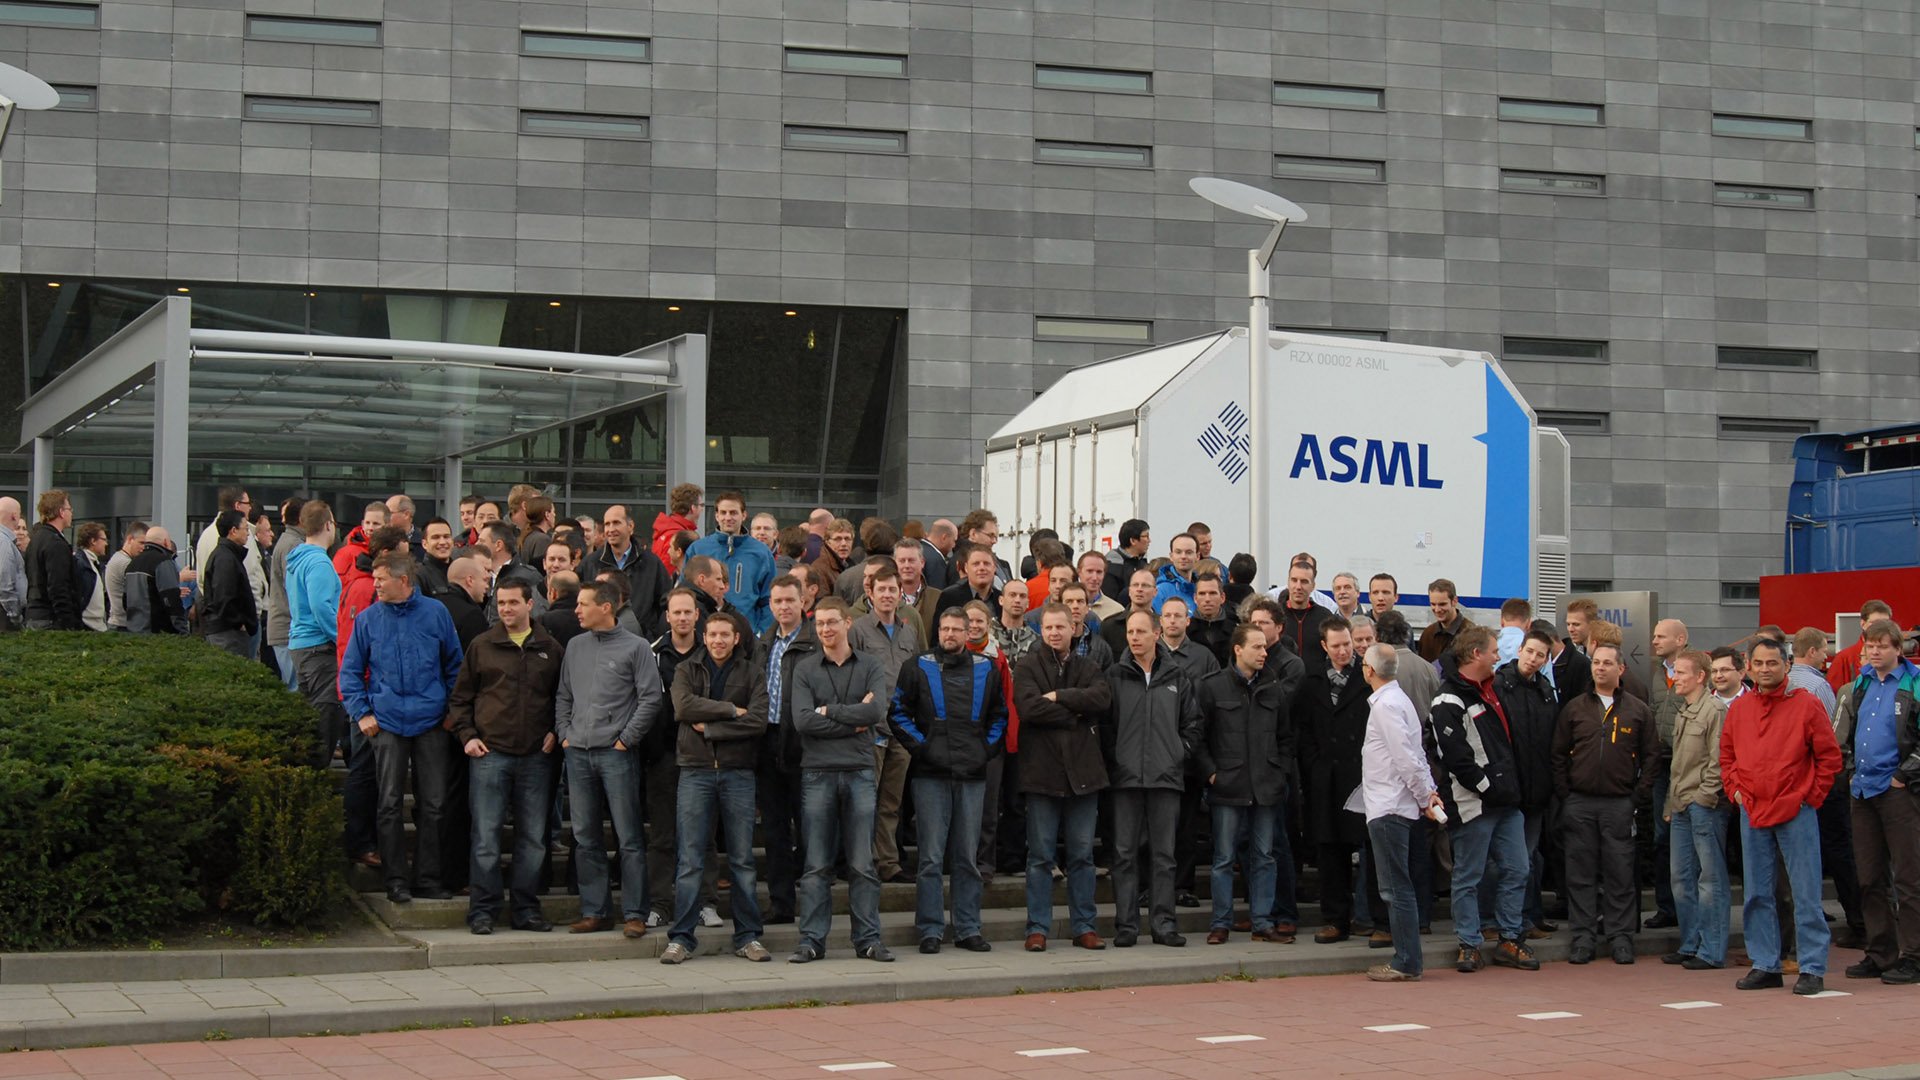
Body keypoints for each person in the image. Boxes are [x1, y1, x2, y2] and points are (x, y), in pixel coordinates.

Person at [340, 552, 465, 904]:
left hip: (432, 721)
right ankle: (395, 879)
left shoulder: (436, 613)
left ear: (404, 581)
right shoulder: (368, 620)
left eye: (381, 578)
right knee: (389, 803)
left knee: (435, 803)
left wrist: (452, 710)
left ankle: (427, 877)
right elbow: (350, 672)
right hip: (388, 722)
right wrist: (362, 712)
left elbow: (455, 664)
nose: (374, 584)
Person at [1722, 637, 1842, 995]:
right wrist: (1735, 790)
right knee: (1757, 893)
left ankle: (1812, 968)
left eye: (1771, 663)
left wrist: (1810, 797)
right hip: (1753, 810)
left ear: (1786, 665)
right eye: (1758, 664)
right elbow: (1726, 755)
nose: (1764, 670)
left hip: (1796, 811)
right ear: (1749, 666)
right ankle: (1765, 964)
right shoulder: (1740, 709)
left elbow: (1829, 757)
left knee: (1805, 893)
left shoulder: (1805, 705)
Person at [448, 578, 565, 935]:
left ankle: (526, 910)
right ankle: (482, 911)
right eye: (501, 603)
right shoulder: (482, 646)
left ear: (531, 605)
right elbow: (459, 699)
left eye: (513, 602)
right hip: (490, 754)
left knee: (532, 839)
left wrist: (555, 733)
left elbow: (564, 697)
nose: (506, 609)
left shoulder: (551, 648)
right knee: (485, 837)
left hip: (536, 756)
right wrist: (467, 736)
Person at [892, 606, 1007, 954]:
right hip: (930, 775)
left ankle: (968, 927)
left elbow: (1000, 716)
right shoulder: (917, 666)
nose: (951, 635)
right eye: (945, 629)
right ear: (937, 631)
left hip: (972, 776)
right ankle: (929, 929)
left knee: (967, 856)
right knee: (929, 857)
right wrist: (924, 748)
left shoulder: (986, 669)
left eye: (958, 629)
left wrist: (984, 751)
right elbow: (897, 712)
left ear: (969, 632)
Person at [660, 610, 772, 965]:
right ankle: (681, 937)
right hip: (695, 771)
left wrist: (710, 729)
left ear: (736, 638)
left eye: (726, 635)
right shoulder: (686, 669)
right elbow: (683, 707)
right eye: (713, 635)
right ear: (703, 636)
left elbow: (757, 719)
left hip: (738, 773)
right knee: (690, 859)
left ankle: (748, 936)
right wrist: (729, 710)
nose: (719, 641)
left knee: (742, 861)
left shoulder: (751, 671)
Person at [788, 598, 894, 963]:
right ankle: (811, 941)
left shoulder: (870, 665)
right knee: (816, 863)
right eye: (819, 624)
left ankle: (868, 939)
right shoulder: (804, 668)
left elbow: (876, 711)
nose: (825, 630)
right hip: (817, 771)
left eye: (832, 622)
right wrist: (852, 720)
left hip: (860, 769)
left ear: (848, 623)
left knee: (863, 862)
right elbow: (802, 721)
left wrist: (829, 711)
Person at [554, 579, 661, 937]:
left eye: (584, 604)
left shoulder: (637, 647)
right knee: (585, 837)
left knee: (628, 835)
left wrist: (625, 740)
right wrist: (565, 734)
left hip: (616, 754)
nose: (577, 610)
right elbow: (564, 694)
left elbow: (650, 699)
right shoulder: (575, 645)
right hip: (579, 754)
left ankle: (635, 912)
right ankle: (595, 910)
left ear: (606, 607)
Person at [1431, 626, 1539, 973]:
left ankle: (1509, 938)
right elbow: (1457, 758)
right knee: (1468, 876)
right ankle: (1469, 943)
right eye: (1493, 650)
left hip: (1506, 802)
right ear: (1476, 653)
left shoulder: (1491, 690)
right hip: (1474, 804)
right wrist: (1489, 788)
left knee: (1518, 869)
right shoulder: (1448, 700)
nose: (1498, 656)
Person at [1553, 641, 1662, 965]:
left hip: (1619, 804)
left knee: (1620, 873)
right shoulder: (1575, 708)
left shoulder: (1637, 710)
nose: (1600, 668)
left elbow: (1652, 756)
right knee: (1580, 874)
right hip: (1580, 803)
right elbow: (1557, 754)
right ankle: (1583, 937)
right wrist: (1566, 794)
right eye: (1596, 663)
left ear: (1620, 669)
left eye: (1606, 663)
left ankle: (1620, 937)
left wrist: (1637, 796)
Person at [1013, 602, 1112, 951]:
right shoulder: (1026, 666)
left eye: (1061, 627)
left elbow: (1100, 698)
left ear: (1074, 627)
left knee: (1082, 857)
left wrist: (1058, 697)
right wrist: (1074, 714)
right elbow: (1028, 708)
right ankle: (1036, 928)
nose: (1054, 633)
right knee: (1040, 857)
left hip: (1084, 775)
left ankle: (1084, 926)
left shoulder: (1089, 665)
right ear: (1041, 630)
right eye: (1048, 628)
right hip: (1041, 775)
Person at [1104, 608, 1201, 948]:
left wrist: (1176, 751)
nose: (1134, 638)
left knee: (1164, 856)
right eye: (1130, 632)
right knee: (1124, 854)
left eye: (1141, 632)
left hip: (1165, 778)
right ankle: (1127, 926)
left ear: (1156, 634)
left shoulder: (1177, 676)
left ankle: (1163, 924)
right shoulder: (1115, 675)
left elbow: (1193, 724)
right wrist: (1116, 758)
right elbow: (1106, 726)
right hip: (1126, 778)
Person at [1197, 622, 1296, 945]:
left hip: (1266, 787)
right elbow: (1198, 737)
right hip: (1228, 785)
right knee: (1224, 857)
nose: (1263, 652)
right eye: (1257, 647)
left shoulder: (1274, 688)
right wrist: (1212, 773)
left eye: (1265, 647)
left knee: (1265, 856)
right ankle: (1221, 922)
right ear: (1238, 649)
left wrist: (1279, 771)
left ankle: (1262, 921)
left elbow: (1285, 737)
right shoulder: (1212, 687)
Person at [1835, 620, 1920, 984]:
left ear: (1898, 649)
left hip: (1899, 790)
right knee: (1869, 877)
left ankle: (1914, 955)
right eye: (1870, 645)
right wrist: (1852, 770)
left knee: (1909, 877)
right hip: (1863, 790)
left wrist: (1904, 775)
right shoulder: (1859, 685)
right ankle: (1881, 952)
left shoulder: (1913, 685)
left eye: (1882, 645)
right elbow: (1844, 736)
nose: (1874, 651)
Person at [1359, 642, 1444, 981]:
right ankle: (1407, 957)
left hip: (1390, 805)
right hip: (1398, 803)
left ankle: (1406, 961)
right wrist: (1428, 793)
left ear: (1369, 671)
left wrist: (1425, 795)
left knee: (1395, 887)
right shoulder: (1400, 700)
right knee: (1399, 885)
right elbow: (1415, 753)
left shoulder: (1386, 706)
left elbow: (1406, 757)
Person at [644, 588, 722, 930]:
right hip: (663, 755)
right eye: (676, 612)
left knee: (704, 835)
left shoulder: (711, 655)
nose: (682, 618)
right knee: (662, 835)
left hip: (704, 755)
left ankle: (706, 903)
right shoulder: (653, 653)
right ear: (667, 616)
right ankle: (660, 904)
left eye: (688, 612)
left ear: (696, 615)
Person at [1297, 618, 1371, 944]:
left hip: (1361, 776)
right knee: (1330, 850)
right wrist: (1313, 764)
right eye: (1337, 645)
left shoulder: (1368, 677)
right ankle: (1335, 918)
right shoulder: (1311, 680)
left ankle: (1371, 917)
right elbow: (1301, 728)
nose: (1344, 651)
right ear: (1325, 646)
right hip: (1325, 777)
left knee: (1369, 850)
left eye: (1348, 644)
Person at [851, 563, 924, 885]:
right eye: (881, 589)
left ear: (900, 593)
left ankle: (888, 862)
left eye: (893, 589)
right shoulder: (859, 630)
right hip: (871, 727)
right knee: (865, 800)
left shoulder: (909, 629)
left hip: (902, 728)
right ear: (870, 592)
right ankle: (861, 863)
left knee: (892, 802)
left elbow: (919, 673)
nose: (887, 595)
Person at [754, 575, 817, 924]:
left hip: (804, 744)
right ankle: (781, 903)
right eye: (777, 602)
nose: (783, 607)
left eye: (789, 601)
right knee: (775, 829)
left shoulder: (814, 642)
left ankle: (811, 901)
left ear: (803, 602)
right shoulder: (764, 643)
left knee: (809, 830)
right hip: (769, 741)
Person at [1663, 648, 1730, 970]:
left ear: (1700, 676)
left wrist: (1704, 797)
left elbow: (1719, 760)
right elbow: (1678, 764)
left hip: (1703, 806)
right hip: (1680, 806)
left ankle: (1712, 949)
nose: (1675, 678)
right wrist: (1670, 804)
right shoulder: (1683, 711)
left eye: (1681, 673)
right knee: (1681, 879)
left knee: (1710, 880)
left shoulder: (1714, 710)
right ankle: (1690, 943)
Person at [1493, 629, 1561, 939]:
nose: (1533, 659)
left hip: (1538, 790)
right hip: (1509, 789)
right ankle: (1502, 920)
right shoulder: (1499, 685)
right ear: (1520, 650)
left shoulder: (1546, 690)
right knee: (1508, 859)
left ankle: (1527, 917)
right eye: (1530, 651)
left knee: (1529, 857)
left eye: (1540, 655)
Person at [688, 491, 776, 635]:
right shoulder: (698, 549)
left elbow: (768, 599)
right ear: (717, 516)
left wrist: (761, 633)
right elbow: (686, 592)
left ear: (744, 515)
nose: (728, 517)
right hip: (705, 635)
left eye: (733, 512)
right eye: (723, 513)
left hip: (747, 635)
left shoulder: (761, 553)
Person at [580, 505, 672, 639]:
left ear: (630, 526)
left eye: (616, 523)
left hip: (642, 640)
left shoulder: (651, 562)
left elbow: (665, 602)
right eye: (607, 524)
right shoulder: (590, 563)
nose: (611, 529)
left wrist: (653, 634)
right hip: (599, 639)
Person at [200, 510, 260, 658]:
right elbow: (223, 596)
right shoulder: (225, 558)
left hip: (227, 630)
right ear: (233, 531)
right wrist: (239, 622)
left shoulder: (228, 555)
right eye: (245, 529)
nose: (248, 533)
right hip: (228, 632)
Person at [23, 489, 81, 630]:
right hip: (51, 619)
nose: (71, 513)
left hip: (33, 614)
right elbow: (58, 586)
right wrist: (68, 623)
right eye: (69, 509)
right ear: (61, 512)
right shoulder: (56, 543)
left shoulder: (35, 539)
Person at [125, 525, 189, 635]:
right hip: (157, 632)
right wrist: (182, 631)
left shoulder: (132, 564)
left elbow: (125, 599)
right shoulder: (163, 562)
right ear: (165, 542)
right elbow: (171, 599)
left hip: (134, 630)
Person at [1275, 559, 1332, 670]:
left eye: (1304, 581)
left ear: (1313, 586)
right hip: (1281, 682)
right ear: (1288, 582)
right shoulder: (1275, 615)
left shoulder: (1325, 617)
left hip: (1317, 684)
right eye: (1294, 580)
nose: (1298, 586)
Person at [936, 543, 1002, 622]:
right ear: (966, 568)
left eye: (986, 564)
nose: (981, 568)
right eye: (976, 564)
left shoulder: (1001, 598)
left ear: (994, 568)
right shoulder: (950, 597)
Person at [104, 521, 147, 634]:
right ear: (129, 539)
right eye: (141, 543)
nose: (143, 548)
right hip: (122, 625)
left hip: (118, 622)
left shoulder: (118, 558)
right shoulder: (125, 563)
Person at [1415, 578, 1470, 663]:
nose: (1437, 609)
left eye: (1442, 604)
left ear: (1454, 601)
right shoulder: (1427, 634)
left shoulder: (1471, 634)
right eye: (1433, 604)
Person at [652, 482, 703, 568]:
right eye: (701, 505)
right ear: (693, 508)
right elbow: (668, 574)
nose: (702, 509)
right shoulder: (676, 536)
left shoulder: (667, 530)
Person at [1100, 518, 1151, 605]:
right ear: (1133, 541)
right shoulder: (1113, 565)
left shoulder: (1143, 564)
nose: (1149, 541)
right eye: (1146, 536)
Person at [73, 521, 109, 632]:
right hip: (87, 626)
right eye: (103, 540)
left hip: (98, 626)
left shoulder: (95, 564)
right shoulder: (80, 563)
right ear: (93, 541)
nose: (106, 544)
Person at [1151, 532, 1200, 614]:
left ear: (1197, 556)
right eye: (1178, 552)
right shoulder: (1160, 591)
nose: (1183, 556)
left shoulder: (1201, 589)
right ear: (1171, 556)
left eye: (1189, 552)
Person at [0, 496, 27, 628]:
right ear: (14, 516)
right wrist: (15, 616)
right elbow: (5, 585)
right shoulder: (4, 543)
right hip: (5, 618)